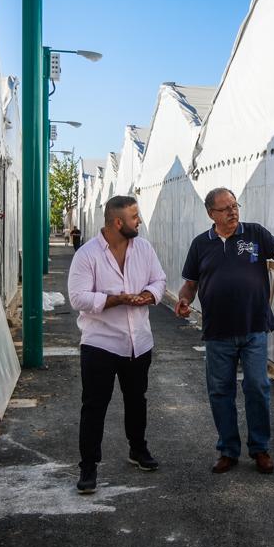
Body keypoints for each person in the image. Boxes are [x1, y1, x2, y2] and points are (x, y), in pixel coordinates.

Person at [174, 188, 274, 475]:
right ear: (211, 213)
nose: (233, 212)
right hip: (218, 332)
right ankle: (228, 450)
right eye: (225, 208)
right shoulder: (201, 244)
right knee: (220, 391)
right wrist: (184, 299)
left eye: (235, 205)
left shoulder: (255, 234)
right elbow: (190, 283)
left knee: (257, 387)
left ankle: (260, 448)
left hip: (254, 327)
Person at [68, 195, 166, 493]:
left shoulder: (144, 248)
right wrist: (117, 300)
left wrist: (148, 296)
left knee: (137, 400)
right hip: (100, 343)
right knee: (94, 406)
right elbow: (78, 298)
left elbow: (159, 280)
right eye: (135, 217)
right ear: (118, 222)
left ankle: (138, 449)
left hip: (139, 341)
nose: (140, 221)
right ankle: (88, 467)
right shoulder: (87, 255)